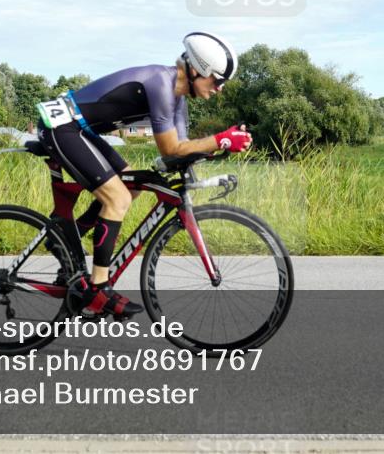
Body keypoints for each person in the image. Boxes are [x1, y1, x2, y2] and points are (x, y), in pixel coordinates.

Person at [37, 32, 252, 318]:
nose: (220, 89)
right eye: (217, 80)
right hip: (62, 127)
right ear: (199, 69)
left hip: (80, 129)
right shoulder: (161, 84)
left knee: (132, 185)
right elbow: (170, 148)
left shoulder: (178, 99)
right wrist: (220, 140)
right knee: (117, 199)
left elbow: (177, 154)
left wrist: (218, 150)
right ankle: (97, 290)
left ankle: (65, 240)